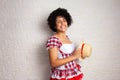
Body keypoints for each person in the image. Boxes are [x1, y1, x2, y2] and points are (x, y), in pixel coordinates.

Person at [46, 8, 83, 80]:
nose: (62, 23)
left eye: (64, 20)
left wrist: (81, 53)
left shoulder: (67, 38)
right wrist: (74, 56)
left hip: (73, 73)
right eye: (59, 21)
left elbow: (70, 56)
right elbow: (53, 63)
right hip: (63, 77)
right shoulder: (53, 40)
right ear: (54, 25)